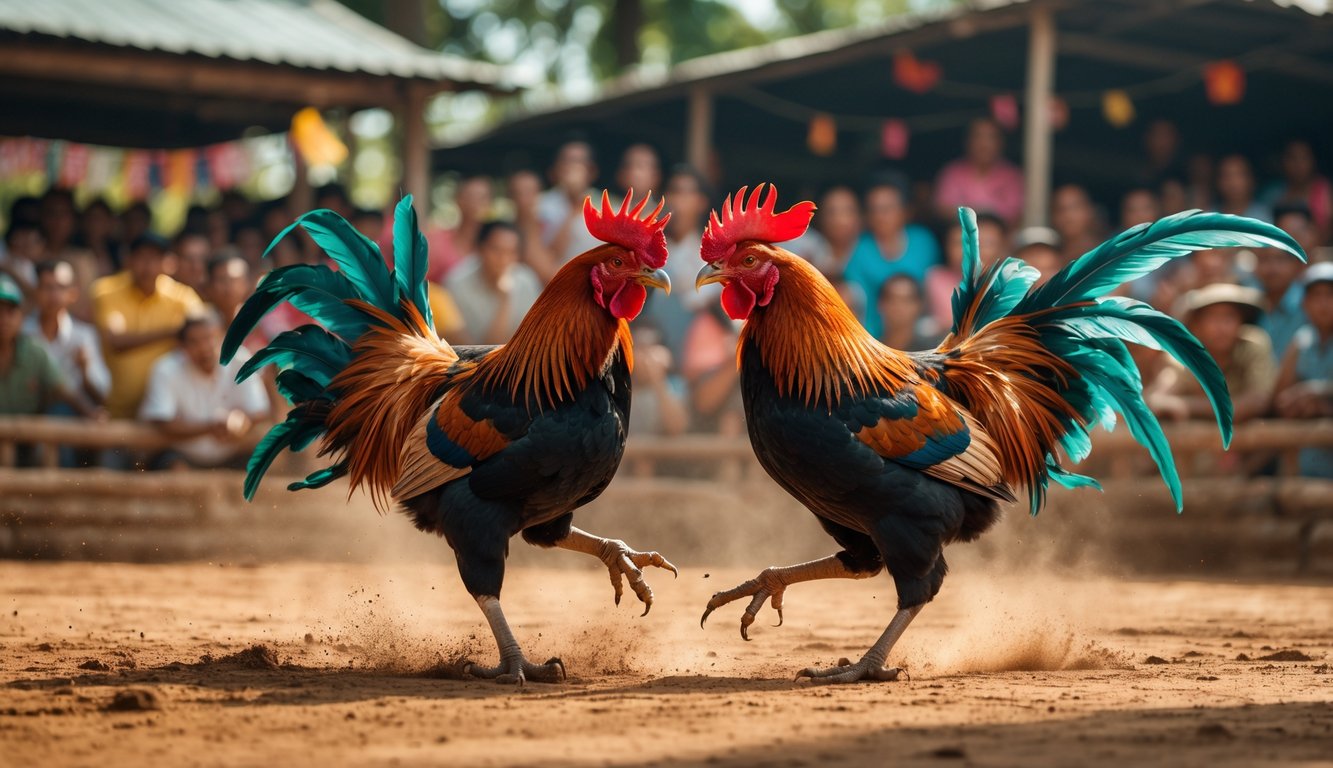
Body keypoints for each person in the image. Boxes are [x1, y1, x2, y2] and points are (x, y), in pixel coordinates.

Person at [91, 233, 204, 419]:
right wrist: (173, 332)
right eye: (141, 257)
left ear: (168, 263)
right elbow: (116, 341)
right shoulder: (106, 290)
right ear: (128, 260)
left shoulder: (182, 297)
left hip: (168, 412)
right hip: (115, 408)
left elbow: (202, 332)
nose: (148, 265)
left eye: (155, 258)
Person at [138, 313, 269, 470]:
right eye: (194, 342)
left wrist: (241, 420)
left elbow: (259, 410)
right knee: (172, 466)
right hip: (182, 456)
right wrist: (211, 427)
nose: (204, 348)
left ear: (223, 338)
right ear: (182, 347)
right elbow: (163, 423)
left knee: (263, 461)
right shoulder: (166, 369)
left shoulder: (241, 360)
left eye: (209, 338)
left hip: (233, 454)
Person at [0, 275, 104, 465]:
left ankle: (60, 491)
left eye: (10, 312)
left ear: (20, 317)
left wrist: (91, 413)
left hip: (27, 439)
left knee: (55, 426)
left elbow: (64, 389)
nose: (4, 319)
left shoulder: (34, 352)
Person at [1148, 283, 1276, 425]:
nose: (1221, 327)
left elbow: (1258, 401)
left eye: (1229, 317)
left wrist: (1187, 406)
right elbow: (1158, 398)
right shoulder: (1184, 357)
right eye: (1212, 318)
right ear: (1196, 325)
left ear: (1241, 322)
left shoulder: (1253, 345)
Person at [844, 172, 940, 339]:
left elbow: (934, 290)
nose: (881, 216)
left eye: (887, 209)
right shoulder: (859, 250)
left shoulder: (924, 242)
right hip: (874, 338)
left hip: (922, 333)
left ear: (905, 211)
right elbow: (860, 304)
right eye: (874, 210)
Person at [645, 165, 712, 359]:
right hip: (651, 347)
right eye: (674, 191)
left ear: (701, 202)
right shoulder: (652, 247)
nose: (677, 200)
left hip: (696, 350)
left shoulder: (712, 253)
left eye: (685, 192)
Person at [1272, 263, 1333, 477]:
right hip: (1305, 461)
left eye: (1330, 295)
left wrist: (1318, 393)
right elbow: (1280, 399)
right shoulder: (1301, 342)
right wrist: (1302, 405)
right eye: (1316, 296)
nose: (1324, 304)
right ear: (1305, 304)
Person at [23, 261, 110, 407]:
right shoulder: (21, 333)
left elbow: (102, 394)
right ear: (36, 291)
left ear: (73, 293)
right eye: (48, 287)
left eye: (61, 288)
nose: (54, 295)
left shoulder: (84, 336)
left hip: (71, 420)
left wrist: (85, 372)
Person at [445, 221, 542, 345]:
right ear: (480, 249)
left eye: (511, 252)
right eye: (496, 250)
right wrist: (505, 298)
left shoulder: (526, 280)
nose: (503, 259)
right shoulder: (457, 285)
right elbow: (482, 351)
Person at [933, 117, 1025, 227]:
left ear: (1001, 142)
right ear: (967, 141)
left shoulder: (1012, 175)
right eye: (978, 136)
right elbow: (944, 209)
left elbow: (1016, 214)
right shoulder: (952, 172)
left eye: (991, 137)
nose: (984, 144)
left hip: (999, 238)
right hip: (962, 236)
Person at [1251, 204, 1316, 359]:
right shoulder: (1249, 304)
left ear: (1297, 266)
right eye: (1264, 260)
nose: (1271, 269)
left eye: (1280, 260)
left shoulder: (1309, 304)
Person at [924, 213, 1006, 330]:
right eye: (959, 243)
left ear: (1002, 248)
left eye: (986, 244)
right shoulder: (936, 278)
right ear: (946, 247)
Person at [538, 139, 601, 265]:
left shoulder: (607, 205)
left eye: (578, 161)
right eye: (566, 161)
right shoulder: (541, 205)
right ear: (557, 168)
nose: (572, 167)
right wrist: (574, 210)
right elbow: (546, 256)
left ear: (591, 170)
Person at [1261, 139, 1331, 238]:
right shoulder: (1272, 194)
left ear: (1313, 160)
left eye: (1304, 158)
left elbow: (1326, 230)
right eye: (1292, 158)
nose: (1298, 164)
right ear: (1283, 161)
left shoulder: (1324, 191)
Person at [627, 327, 688, 437]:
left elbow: (676, 428)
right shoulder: (618, 388)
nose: (647, 356)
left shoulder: (676, 385)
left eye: (652, 347)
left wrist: (658, 379)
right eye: (641, 348)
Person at [508, 169, 558, 283]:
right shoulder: (505, 230)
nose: (524, 198)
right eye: (519, 192)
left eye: (530, 192)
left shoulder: (550, 227)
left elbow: (548, 273)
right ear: (511, 196)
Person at [878, 274, 939, 351]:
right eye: (892, 300)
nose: (898, 307)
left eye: (906, 301)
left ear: (919, 305)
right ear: (880, 304)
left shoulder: (932, 354)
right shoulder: (867, 352)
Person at [1050, 183, 1101, 262]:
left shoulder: (1105, 254)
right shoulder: (1050, 259)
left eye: (1075, 208)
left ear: (1090, 211)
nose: (1068, 216)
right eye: (1060, 209)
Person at [1215, 154, 1270, 221]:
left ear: (1251, 179)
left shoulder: (1265, 215)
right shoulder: (1211, 217)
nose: (1233, 183)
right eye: (1226, 176)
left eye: (1239, 175)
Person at [1, 220, 44, 301]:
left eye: (29, 241)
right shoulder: (1, 251)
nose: (22, 243)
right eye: (20, 237)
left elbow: (34, 295)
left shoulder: (27, 266)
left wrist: (10, 271)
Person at [171, 231, 212, 296]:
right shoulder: (167, 295)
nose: (196, 266)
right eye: (189, 259)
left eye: (202, 259)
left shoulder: (218, 298)